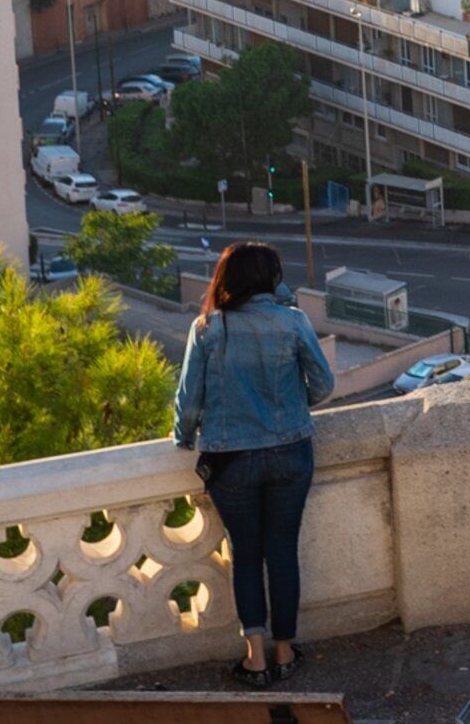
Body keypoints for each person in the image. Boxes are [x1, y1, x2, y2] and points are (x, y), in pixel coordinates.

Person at [174, 241, 334, 687]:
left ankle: (256, 660)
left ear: (226, 280)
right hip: (290, 453)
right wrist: (287, 407)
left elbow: (189, 403)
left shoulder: (207, 328)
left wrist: (183, 439)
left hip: (231, 460)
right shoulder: (293, 322)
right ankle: (286, 651)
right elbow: (323, 385)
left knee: (246, 556)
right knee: (282, 551)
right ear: (272, 280)